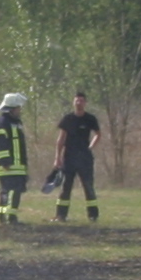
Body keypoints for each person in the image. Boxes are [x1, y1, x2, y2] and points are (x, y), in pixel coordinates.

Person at [53, 90, 104, 222]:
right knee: (66, 186)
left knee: (88, 186)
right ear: (73, 102)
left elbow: (98, 134)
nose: (79, 103)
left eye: (81, 101)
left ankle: (93, 215)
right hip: (69, 157)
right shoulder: (67, 119)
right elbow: (61, 139)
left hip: (85, 158)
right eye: (77, 100)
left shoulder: (90, 119)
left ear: (85, 103)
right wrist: (57, 157)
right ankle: (61, 215)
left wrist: (90, 147)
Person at [0, 93, 31, 225]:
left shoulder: (16, 123)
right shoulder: (1, 123)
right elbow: (0, 144)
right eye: (18, 108)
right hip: (8, 166)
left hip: (17, 166)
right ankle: (9, 218)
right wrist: (5, 161)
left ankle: (6, 217)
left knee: (13, 191)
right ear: (11, 108)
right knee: (11, 191)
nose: (20, 110)